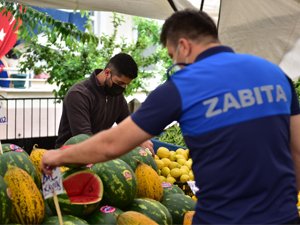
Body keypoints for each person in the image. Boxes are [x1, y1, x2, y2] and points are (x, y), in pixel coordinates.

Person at [42, 9, 300, 224]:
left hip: (223, 218)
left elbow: (111, 144)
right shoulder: (276, 75)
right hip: (284, 216)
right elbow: (297, 151)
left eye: (171, 55)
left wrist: (57, 155)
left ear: (184, 46)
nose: (174, 62)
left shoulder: (183, 86)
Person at [55, 52, 153, 152]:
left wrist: (140, 140)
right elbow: (84, 139)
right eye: (120, 83)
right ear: (107, 72)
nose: (122, 88)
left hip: (97, 154)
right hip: (68, 156)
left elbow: (127, 125)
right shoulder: (78, 95)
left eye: (126, 85)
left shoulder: (117, 96)